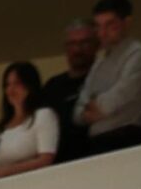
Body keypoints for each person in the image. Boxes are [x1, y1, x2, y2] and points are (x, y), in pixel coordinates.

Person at [76, 0, 141, 155]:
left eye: (110, 25)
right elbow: (79, 109)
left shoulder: (138, 54)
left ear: (127, 22)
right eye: (98, 26)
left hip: (125, 136)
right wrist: (87, 111)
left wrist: (96, 105)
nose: (102, 33)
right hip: (97, 140)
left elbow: (121, 94)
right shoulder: (99, 62)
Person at [0, 60, 61, 184]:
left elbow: (45, 159)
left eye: (17, 83)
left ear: (30, 85)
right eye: (7, 85)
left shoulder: (43, 116)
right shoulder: (2, 126)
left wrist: (5, 172)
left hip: (32, 184)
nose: (11, 90)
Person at [41, 20, 99, 163]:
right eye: (72, 44)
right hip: (61, 167)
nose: (78, 50)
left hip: (100, 160)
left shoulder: (107, 80)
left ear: (96, 45)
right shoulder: (53, 87)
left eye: (84, 43)